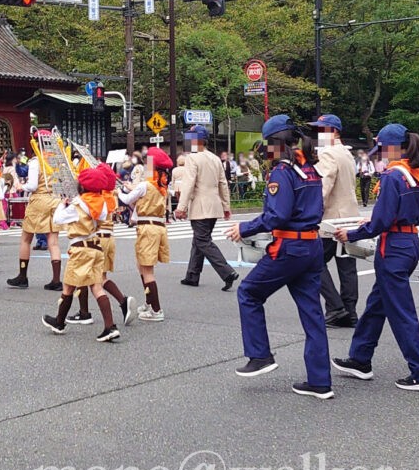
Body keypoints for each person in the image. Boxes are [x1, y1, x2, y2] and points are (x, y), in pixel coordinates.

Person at [226, 115, 332, 399]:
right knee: (312, 313)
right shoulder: (309, 169)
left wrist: (244, 228)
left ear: (276, 144)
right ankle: (320, 381)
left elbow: (277, 215)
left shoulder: (283, 172)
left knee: (249, 292)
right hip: (312, 246)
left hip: (290, 248)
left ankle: (260, 355)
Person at [330, 124, 419, 393]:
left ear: (392, 148)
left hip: (393, 247)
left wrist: (351, 234)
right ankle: (360, 359)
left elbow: (381, 221)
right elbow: (413, 216)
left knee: (401, 313)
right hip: (410, 241)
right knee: (376, 305)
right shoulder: (417, 174)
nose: (380, 156)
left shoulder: (392, 176)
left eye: (382, 150)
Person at [41, 166, 123, 342]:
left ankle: (59, 322)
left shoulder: (77, 206)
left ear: (82, 187)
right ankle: (110, 326)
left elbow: (57, 219)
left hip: (80, 249)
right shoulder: (100, 204)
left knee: (68, 287)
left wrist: (63, 204)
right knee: (97, 286)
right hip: (96, 247)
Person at [308, 114, 360, 328]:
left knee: (313, 262)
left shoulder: (328, 154)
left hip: (331, 219)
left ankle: (335, 307)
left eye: (323, 130)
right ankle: (350, 311)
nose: (319, 134)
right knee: (347, 266)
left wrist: (309, 213)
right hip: (349, 217)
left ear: (335, 132)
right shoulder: (346, 153)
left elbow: (322, 187)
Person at [177, 125, 238, 291]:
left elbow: (188, 184)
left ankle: (227, 272)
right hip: (214, 204)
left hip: (200, 205)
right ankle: (192, 275)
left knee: (202, 240)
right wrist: (226, 206)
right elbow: (222, 183)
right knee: (199, 240)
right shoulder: (215, 158)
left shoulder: (192, 158)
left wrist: (181, 207)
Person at [118, 147, 173, 321]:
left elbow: (127, 200)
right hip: (156, 227)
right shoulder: (161, 187)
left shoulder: (144, 185)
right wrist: (130, 188)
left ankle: (156, 310)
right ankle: (149, 303)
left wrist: (119, 191)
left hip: (147, 229)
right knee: (142, 266)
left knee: (147, 270)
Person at [8, 132, 63, 290]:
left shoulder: (36, 161)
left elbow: (32, 186)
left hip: (39, 200)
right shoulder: (57, 161)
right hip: (55, 200)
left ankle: (23, 276)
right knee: (53, 242)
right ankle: (56, 279)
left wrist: (20, 186)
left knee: (26, 238)